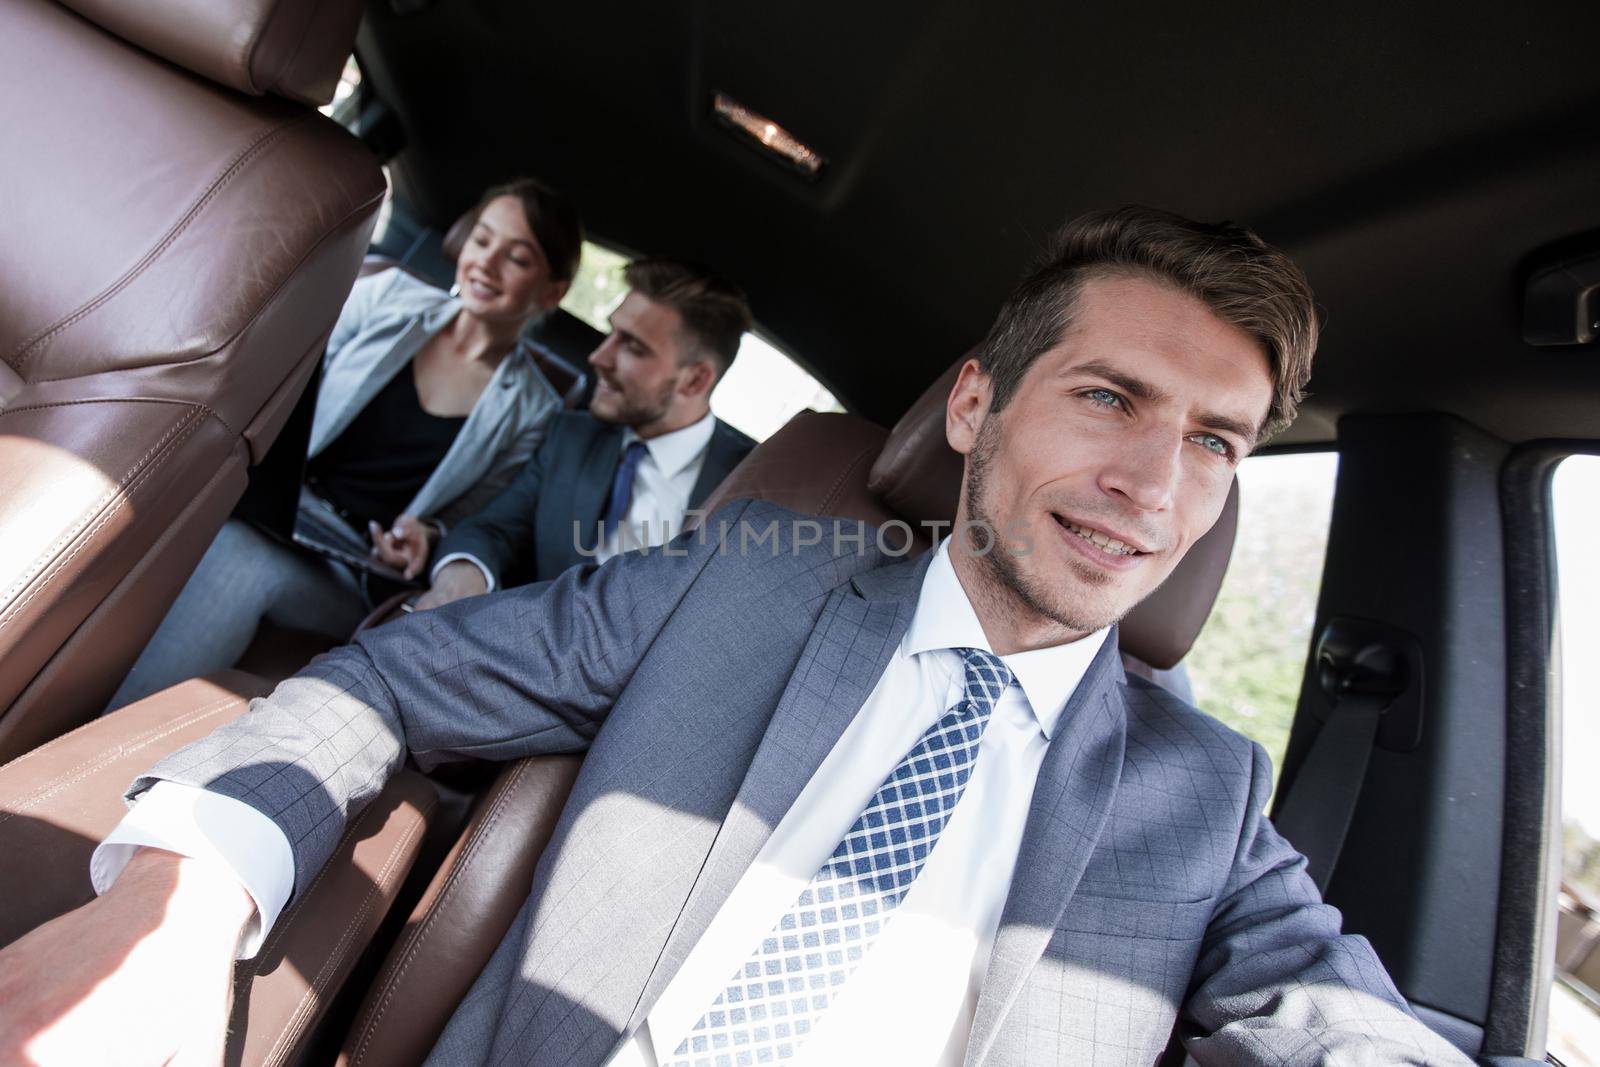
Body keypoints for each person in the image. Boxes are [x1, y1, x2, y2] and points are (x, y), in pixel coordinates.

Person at [0, 207, 1475, 1066]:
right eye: (1108, 398)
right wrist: (178, 901)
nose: (1156, 487)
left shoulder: (1206, 803)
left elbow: (1346, 1020)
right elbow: (389, 674)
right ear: (974, 407)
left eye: (1215, 442)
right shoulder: (742, 587)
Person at [105, 178, 582, 711]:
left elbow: (478, 520)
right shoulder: (385, 297)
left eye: (516, 258)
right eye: (482, 240)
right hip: (276, 508)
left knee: (242, 561)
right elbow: (287, 386)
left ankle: (84, 767)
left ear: (552, 292)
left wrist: (427, 534)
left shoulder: (536, 410)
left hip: (349, 566)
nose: (486, 264)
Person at [372, 258, 758, 611]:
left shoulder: (756, 487)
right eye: (612, 333)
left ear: (694, 380)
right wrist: (459, 580)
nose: (598, 358)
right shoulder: (570, 437)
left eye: (633, 347)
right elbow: (493, 530)